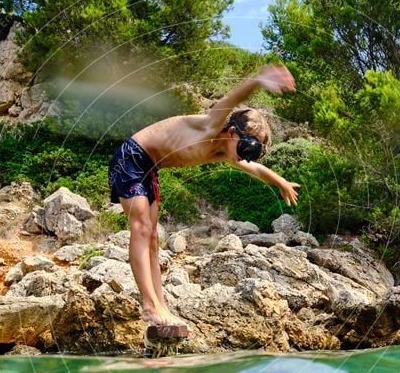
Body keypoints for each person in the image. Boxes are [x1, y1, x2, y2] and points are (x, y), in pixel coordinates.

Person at [108, 64, 299, 328]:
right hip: (132, 157)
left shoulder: (224, 151)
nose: (246, 157)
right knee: (141, 228)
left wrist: (280, 181)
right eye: (247, 148)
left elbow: (254, 169)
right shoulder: (211, 127)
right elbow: (228, 100)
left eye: (253, 153)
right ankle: (150, 305)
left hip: (150, 168)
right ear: (233, 132)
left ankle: (160, 305)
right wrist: (258, 79)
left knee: (151, 237)